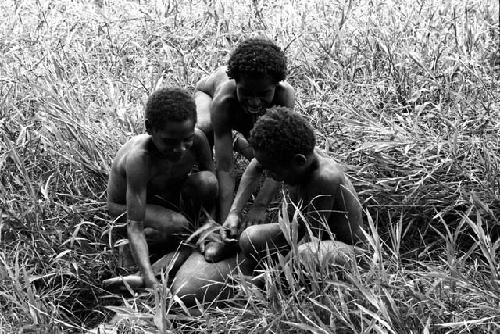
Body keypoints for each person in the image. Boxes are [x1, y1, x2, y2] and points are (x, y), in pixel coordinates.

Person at [222, 106, 366, 276]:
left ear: (299, 161)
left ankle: (281, 277)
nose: (267, 175)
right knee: (249, 238)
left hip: (343, 248)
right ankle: (285, 270)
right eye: (265, 168)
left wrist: (268, 278)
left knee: (305, 254)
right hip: (302, 235)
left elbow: (313, 237)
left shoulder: (324, 179)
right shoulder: (292, 160)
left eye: (272, 170)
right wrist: (234, 213)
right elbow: (255, 166)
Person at [106, 87, 218, 288]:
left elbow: (212, 185)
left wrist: (210, 223)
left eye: (187, 139)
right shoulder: (139, 159)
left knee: (207, 182)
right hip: (127, 208)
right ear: (150, 128)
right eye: (169, 141)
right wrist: (149, 280)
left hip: (167, 197)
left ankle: (167, 240)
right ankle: (147, 266)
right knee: (180, 226)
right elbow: (135, 225)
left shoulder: (199, 140)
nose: (180, 149)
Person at [194, 38, 295, 229]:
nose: (255, 101)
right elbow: (225, 167)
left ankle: (236, 141)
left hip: (242, 114)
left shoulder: (285, 96)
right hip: (206, 96)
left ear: (276, 85)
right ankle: (225, 142)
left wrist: (260, 205)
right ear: (235, 82)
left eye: (263, 93)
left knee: (266, 149)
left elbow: (281, 156)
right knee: (204, 128)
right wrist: (227, 219)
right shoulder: (223, 101)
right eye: (246, 92)